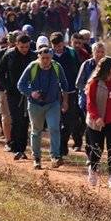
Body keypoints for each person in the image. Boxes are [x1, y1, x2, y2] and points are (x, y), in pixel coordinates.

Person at [19, 38, 69, 169]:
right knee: (36, 131)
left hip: (53, 103)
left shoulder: (57, 67)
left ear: (51, 57)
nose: (46, 61)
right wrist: (31, 93)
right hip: (35, 105)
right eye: (43, 58)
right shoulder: (32, 67)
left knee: (54, 128)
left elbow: (65, 84)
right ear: (39, 57)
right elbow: (21, 84)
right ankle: (37, 158)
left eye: (48, 58)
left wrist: (65, 101)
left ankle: (55, 156)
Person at [85, 56, 111, 189]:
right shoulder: (95, 83)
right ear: (107, 68)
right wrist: (97, 117)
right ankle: (92, 170)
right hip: (96, 122)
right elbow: (90, 103)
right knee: (97, 149)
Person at [52, 33, 84, 155]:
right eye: (55, 46)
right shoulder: (50, 55)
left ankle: (64, 145)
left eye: (59, 45)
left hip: (70, 92)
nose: (57, 48)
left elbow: (78, 70)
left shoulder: (71, 54)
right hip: (54, 94)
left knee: (69, 121)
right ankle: (59, 148)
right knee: (56, 121)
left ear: (63, 43)